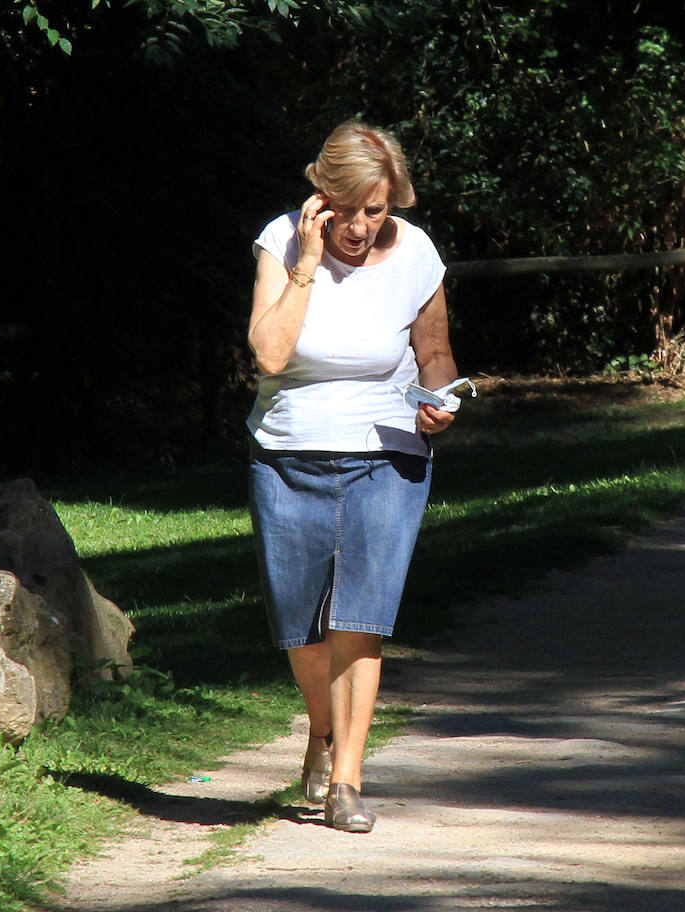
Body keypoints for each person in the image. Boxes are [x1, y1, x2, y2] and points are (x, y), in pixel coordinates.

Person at [246, 120, 461, 833]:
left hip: (388, 452)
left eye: (380, 210)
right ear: (320, 194)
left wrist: (442, 400)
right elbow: (271, 357)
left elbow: (435, 355)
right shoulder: (280, 242)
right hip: (288, 452)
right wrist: (308, 259)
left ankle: (346, 780)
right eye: (352, 209)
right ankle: (320, 728)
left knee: (359, 621)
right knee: (301, 625)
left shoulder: (417, 253)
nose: (364, 225)